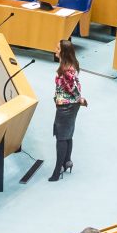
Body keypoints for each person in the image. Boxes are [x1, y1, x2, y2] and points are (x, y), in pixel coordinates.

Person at [49, 40, 86, 182]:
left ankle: (57, 171)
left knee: (61, 137)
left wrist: (79, 99)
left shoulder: (65, 69)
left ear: (64, 52)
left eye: (58, 48)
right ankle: (67, 162)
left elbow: (74, 89)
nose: (55, 50)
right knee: (68, 134)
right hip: (69, 105)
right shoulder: (70, 65)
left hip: (67, 107)